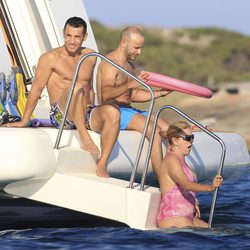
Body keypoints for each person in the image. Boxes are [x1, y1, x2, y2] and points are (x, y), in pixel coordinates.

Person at [2, 16, 120, 178]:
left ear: (84, 37)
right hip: (61, 115)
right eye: (68, 35)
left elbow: (90, 89)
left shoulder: (90, 56)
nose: (72, 41)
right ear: (63, 34)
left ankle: (102, 163)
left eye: (77, 37)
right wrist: (24, 120)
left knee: (113, 112)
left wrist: (95, 111)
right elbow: (36, 89)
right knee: (76, 86)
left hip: (84, 110)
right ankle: (84, 137)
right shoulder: (50, 58)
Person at [97, 26, 171, 178]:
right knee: (155, 131)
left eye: (141, 48)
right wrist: (131, 85)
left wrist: (160, 94)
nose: (139, 52)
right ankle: (163, 179)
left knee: (169, 130)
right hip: (113, 110)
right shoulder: (110, 63)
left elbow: (133, 94)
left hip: (129, 109)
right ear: (124, 43)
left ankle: (175, 170)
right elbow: (106, 94)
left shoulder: (130, 66)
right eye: (136, 48)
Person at [156, 121, 223, 228]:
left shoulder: (181, 160)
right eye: (187, 138)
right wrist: (210, 187)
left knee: (218, 233)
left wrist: (192, 199)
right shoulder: (171, 160)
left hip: (187, 217)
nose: (190, 142)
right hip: (173, 217)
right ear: (174, 140)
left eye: (192, 138)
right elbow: (185, 184)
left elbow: (181, 188)